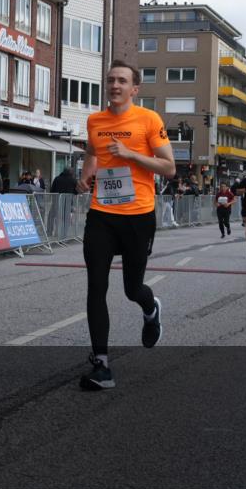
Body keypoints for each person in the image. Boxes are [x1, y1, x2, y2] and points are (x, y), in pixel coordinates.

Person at [76, 61, 176, 391]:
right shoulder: (95, 121)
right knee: (96, 286)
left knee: (132, 289)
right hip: (101, 214)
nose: (115, 85)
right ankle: (101, 364)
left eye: (122, 80)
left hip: (138, 216)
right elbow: (92, 152)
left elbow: (169, 167)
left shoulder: (149, 120)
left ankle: (150, 308)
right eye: (111, 80)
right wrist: (85, 176)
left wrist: (131, 155)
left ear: (135, 89)